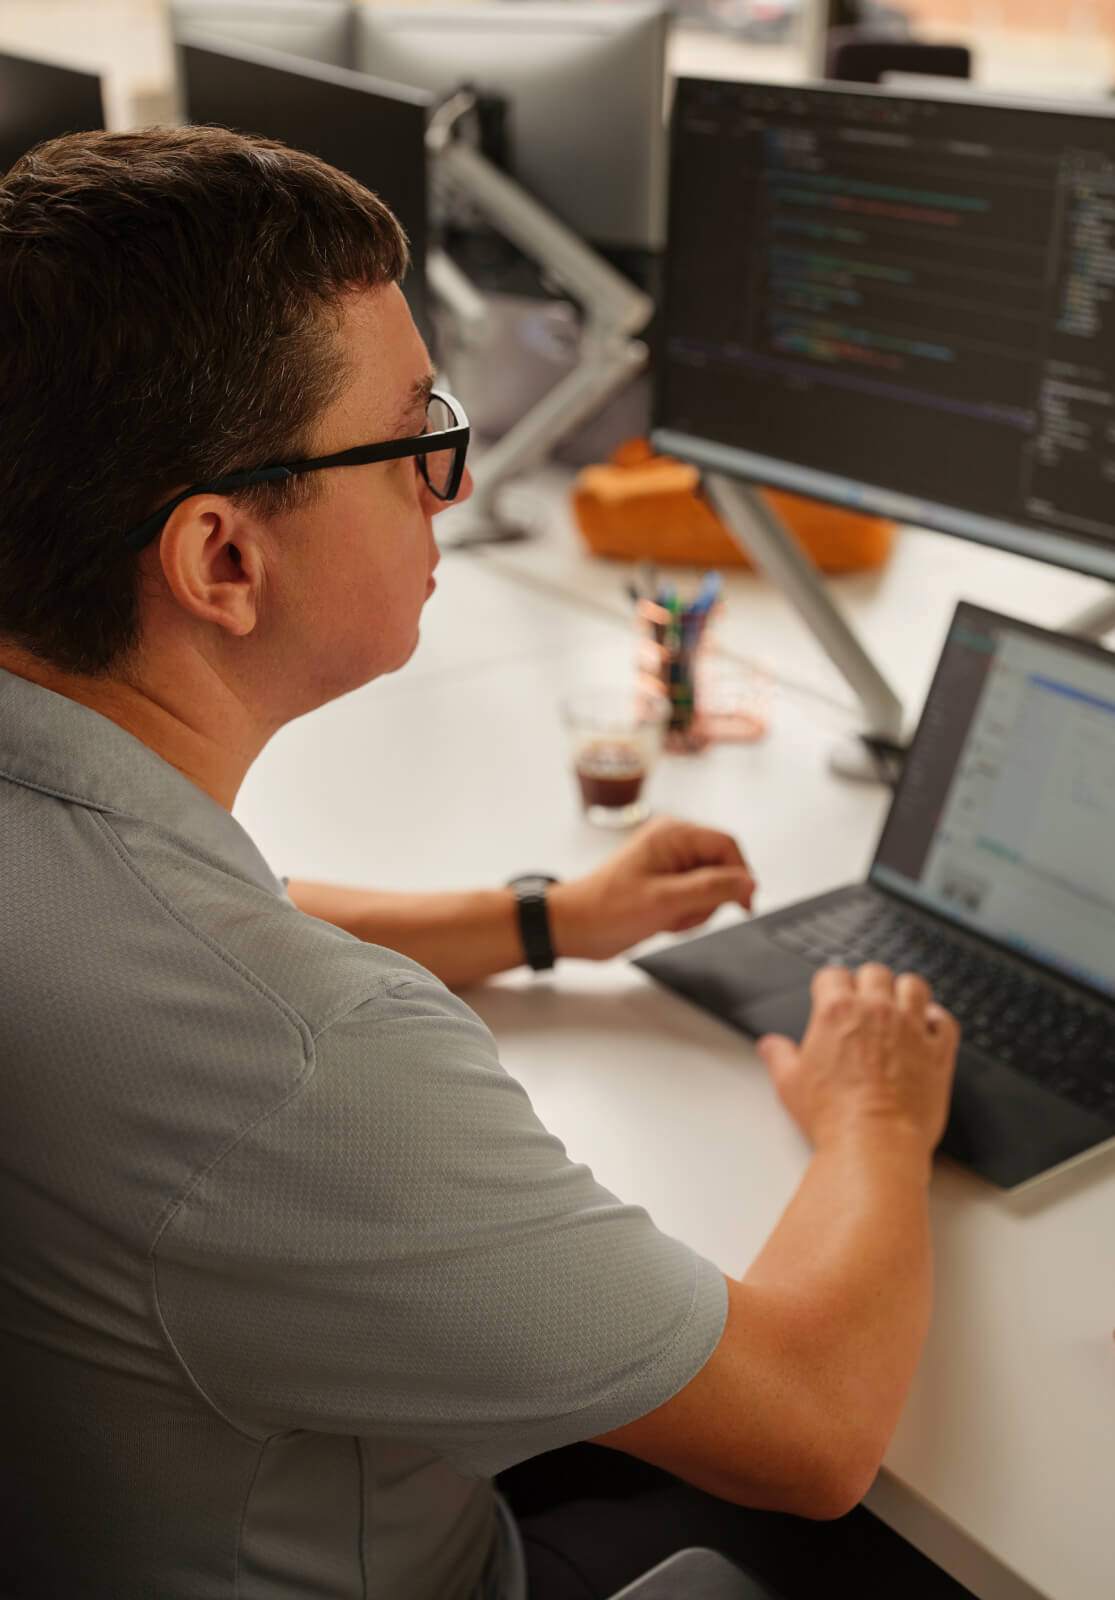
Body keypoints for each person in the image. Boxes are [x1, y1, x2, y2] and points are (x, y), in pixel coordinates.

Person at [0, 128, 965, 1600]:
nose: (451, 484)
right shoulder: (310, 1066)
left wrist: (542, 917)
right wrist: (875, 1118)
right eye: (412, 438)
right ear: (222, 563)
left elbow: (189, 930)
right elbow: (820, 1431)